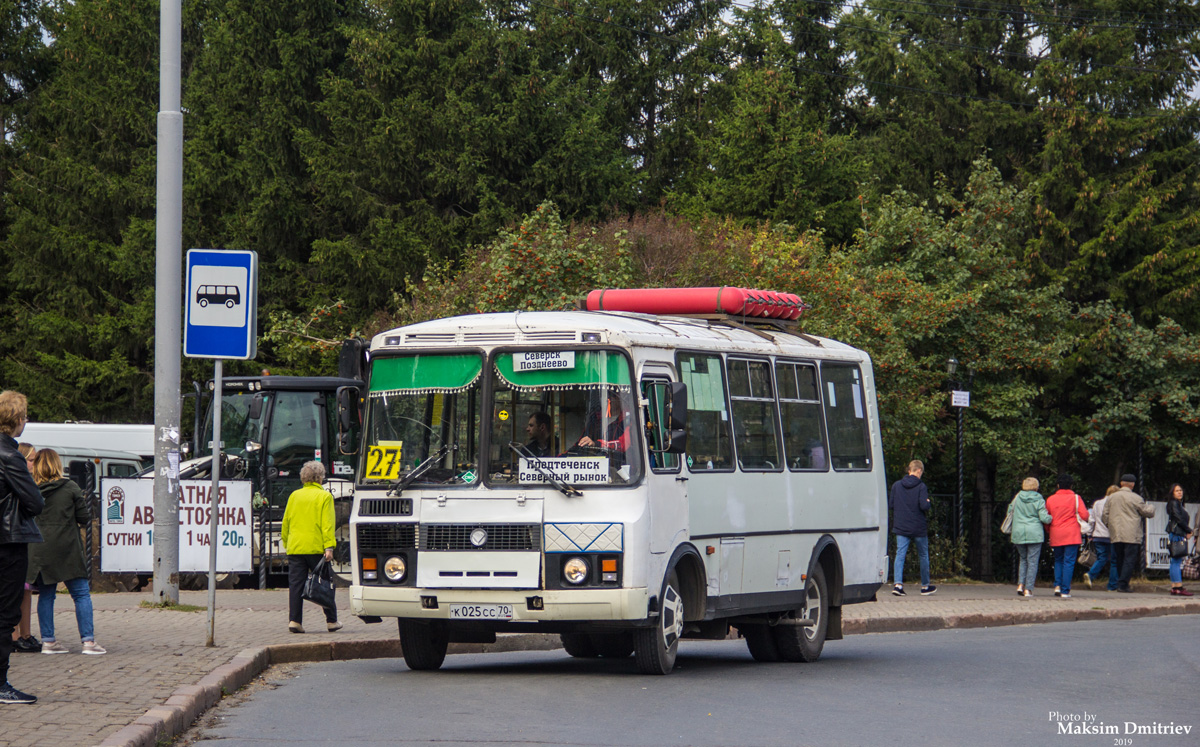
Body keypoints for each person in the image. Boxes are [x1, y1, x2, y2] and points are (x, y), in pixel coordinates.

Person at [26, 449, 104, 655]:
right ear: (58, 465)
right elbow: (85, 517)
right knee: (80, 594)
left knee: (46, 595)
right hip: (68, 548)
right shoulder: (70, 487)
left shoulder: (31, 489)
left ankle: (48, 641)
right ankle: (88, 642)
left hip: (40, 548)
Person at [0, 391, 44, 705]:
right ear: (16, 420)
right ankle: (1, 684)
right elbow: (35, 501)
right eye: (24, 417)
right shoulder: (9, 455)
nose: (25, 422)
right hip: (8, 542)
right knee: (6, 615)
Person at [280, 460, 340, 634]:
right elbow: (327, 524)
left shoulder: (294, 496)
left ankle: (294, 621)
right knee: (324, 584)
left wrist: (287, 543)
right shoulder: (324, 497)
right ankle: (331, 621)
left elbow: (286, 523)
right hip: (316, 549)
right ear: (320, 478)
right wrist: (329, 547)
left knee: (296, 586)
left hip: (296, 548)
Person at [889, 459, 936, 596]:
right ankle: (925, 586)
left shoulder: (896, 485)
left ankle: (898, 585)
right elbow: (923, 506)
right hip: (918, 527)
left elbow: (891, 505)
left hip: (901, 526)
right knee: (923, 555)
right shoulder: (921, 487)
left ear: (909, 470)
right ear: (919, 471)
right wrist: (928, 503)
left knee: (900, 555)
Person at [1102, 474, 1155, 593]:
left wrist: (1110, 526)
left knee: (1119, 558)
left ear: (1121, 483)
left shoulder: (1111, 497)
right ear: (1133, 484)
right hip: (1132, 533)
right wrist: (1151, 506)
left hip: (1116, 533)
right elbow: (1147, 512)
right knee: (1129, 559)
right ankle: (1123, 584)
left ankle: (1120, 582)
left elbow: (1104, 515)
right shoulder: (1136, 498)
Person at [9, 444, 38, 653]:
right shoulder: (14, 478)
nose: (34, 465)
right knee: (13, 593)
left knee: (26, 591)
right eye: (32, 460)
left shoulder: (32, 481)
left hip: (25, 539)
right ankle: (13, 635)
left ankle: (25, 633)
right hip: (13, 537)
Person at [1045, 473, 1088, 598]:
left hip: (1056, 533)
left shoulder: (1051, 499)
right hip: (1072, 533)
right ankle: (1065, 590)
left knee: (1058, 560)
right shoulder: (1076, 498)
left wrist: (1049, 530)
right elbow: (1084, 515)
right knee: (1068, 561)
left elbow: (1047, 517)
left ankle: (1057, 586)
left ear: (1058, 485)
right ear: (1071, 485)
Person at [1006, 477, 1051, 597]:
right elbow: (1044, 517)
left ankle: (1020, 584)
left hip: (1018, 532)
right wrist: (1051, 518)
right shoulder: (1038, 499)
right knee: (1033, 561)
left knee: (1023, 559)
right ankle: (1029, 589)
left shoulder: (1017, 497)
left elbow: (1010, 511)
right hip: (1034, 533)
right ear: (1036, 487)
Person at [1083, 486, 1120, 591]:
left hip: (1098, 535)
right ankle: (1112, 586)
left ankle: (1090, 574)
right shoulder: (1115, 504)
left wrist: (1090, 533)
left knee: (1101, 558)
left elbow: (1092, 519)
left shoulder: (1097, 503)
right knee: (1114, 561)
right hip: (1111, 536)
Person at [1164, 483, 1193, 596]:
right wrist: (1188, 530)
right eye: (1177, 491)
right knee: (1176, 561)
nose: (1180, 492)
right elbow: (1179, 519)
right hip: (1177, 533)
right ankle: (1179, 587)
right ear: (1172, 493)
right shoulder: (1174, 503)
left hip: (1176, 533)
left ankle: (1175, 587)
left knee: (1175, 561)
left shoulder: (1177, 504)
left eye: (1180, 490)